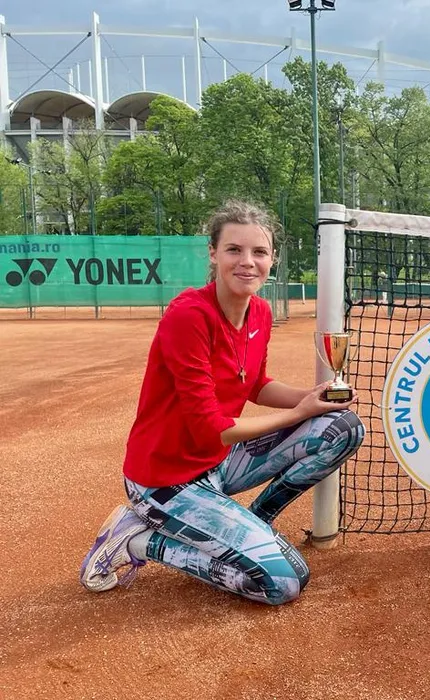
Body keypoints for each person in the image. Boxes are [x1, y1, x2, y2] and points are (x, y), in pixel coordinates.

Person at [79, 200, 365, 605]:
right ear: (213, 253)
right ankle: (137, 541)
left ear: (272, 259)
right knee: (284, 582)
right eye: (234, 249)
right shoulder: (189, 316)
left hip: (218, 463)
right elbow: (212, 427)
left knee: (343, 428)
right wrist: (299, 412)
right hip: (164, 481)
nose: (247, 261)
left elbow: (256, 385)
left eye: (259, 252)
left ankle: (255, 525)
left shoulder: (260, 312)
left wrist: (312, 398)